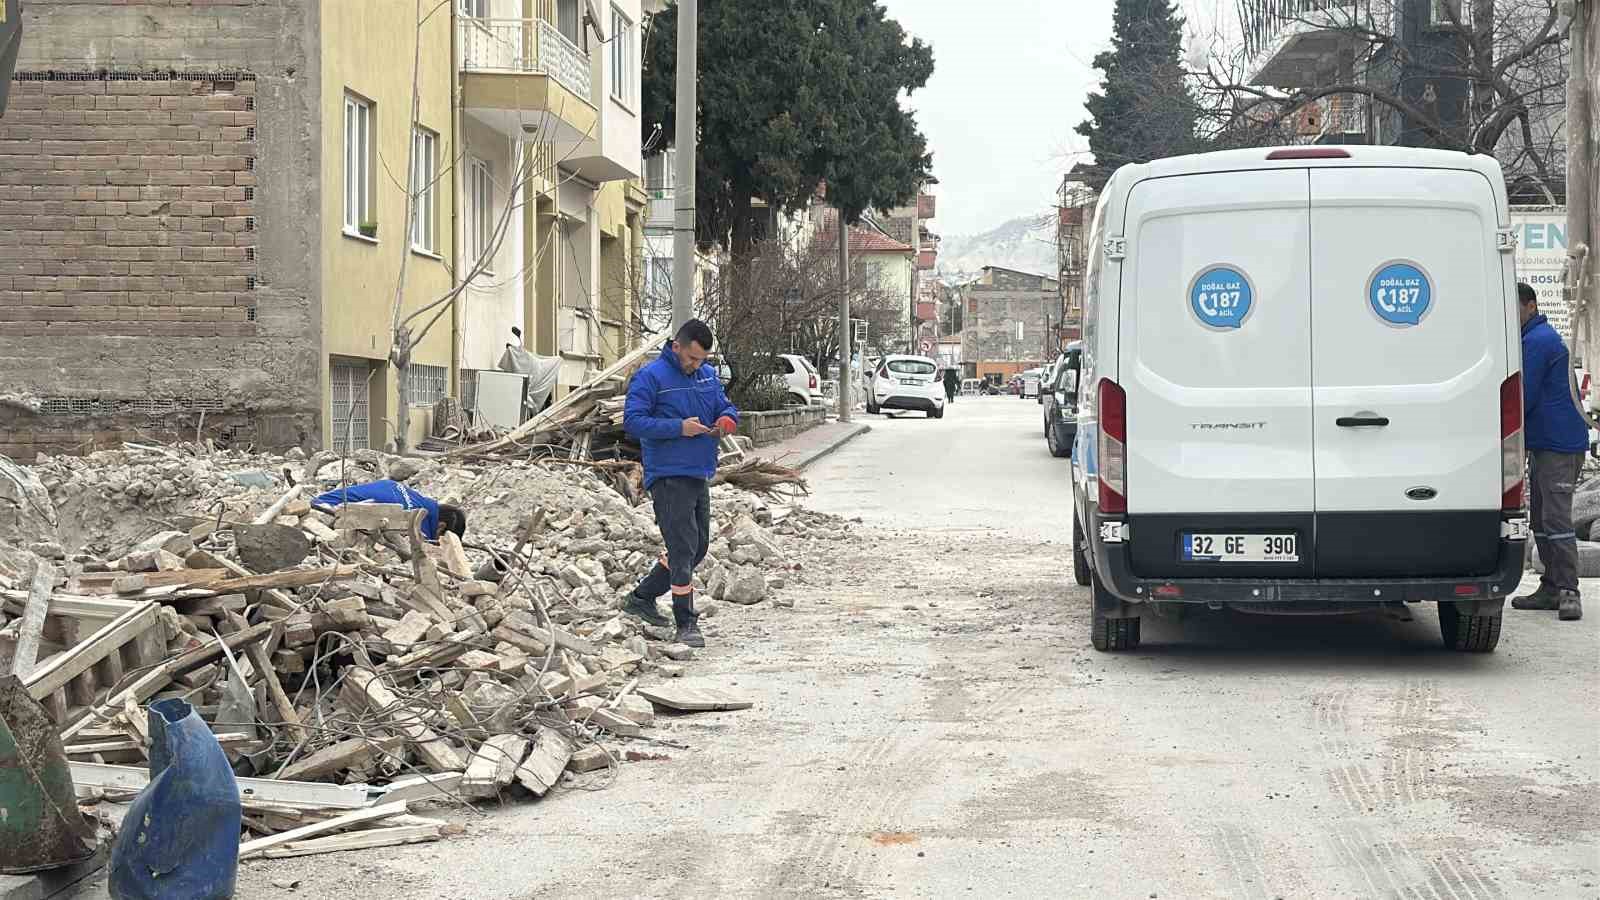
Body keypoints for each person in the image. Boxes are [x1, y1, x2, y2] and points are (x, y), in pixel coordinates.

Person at [619, 319, 740, 647]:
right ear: (676, 347)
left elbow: (725, 406)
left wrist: (727, 420)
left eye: (701, 360)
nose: (695, 365)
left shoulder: (707, 376)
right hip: (668, 474)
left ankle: (641, 598)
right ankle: (685, 622)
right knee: (683, 546)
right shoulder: (651, 377)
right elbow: (632, 422)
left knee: (697, 546)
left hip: (699, 471)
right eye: (691, 358)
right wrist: (678, 428)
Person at [1513, 282, 1587, 621]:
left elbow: (1521, 397)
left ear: (1530, 306)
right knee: (1542, 520)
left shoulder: (1536, 342)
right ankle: (1551, 586)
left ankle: (1570, 590)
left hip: (1559, 446)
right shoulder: (1533, 339)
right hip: (1545, 443)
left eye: (1513, 307)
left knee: (1556, 519)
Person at [311, 480, 466, 542]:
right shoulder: (418, 520)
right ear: (440, 527)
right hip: (322, 516)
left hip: (320, 502)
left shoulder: (413, 496)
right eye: (441, 538)